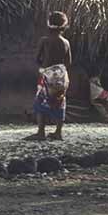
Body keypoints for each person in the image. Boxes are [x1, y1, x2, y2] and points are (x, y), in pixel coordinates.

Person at [27, 11, 71, 141]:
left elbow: (37, 58)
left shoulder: (44, 40)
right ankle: (58, 132)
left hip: (47, 74)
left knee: (42, 101)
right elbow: (69, 62)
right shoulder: (66, 42)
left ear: (48, 24)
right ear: (64, 26)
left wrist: (44, 68)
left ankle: (41, 132)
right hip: (61, 75)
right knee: (60, 101)